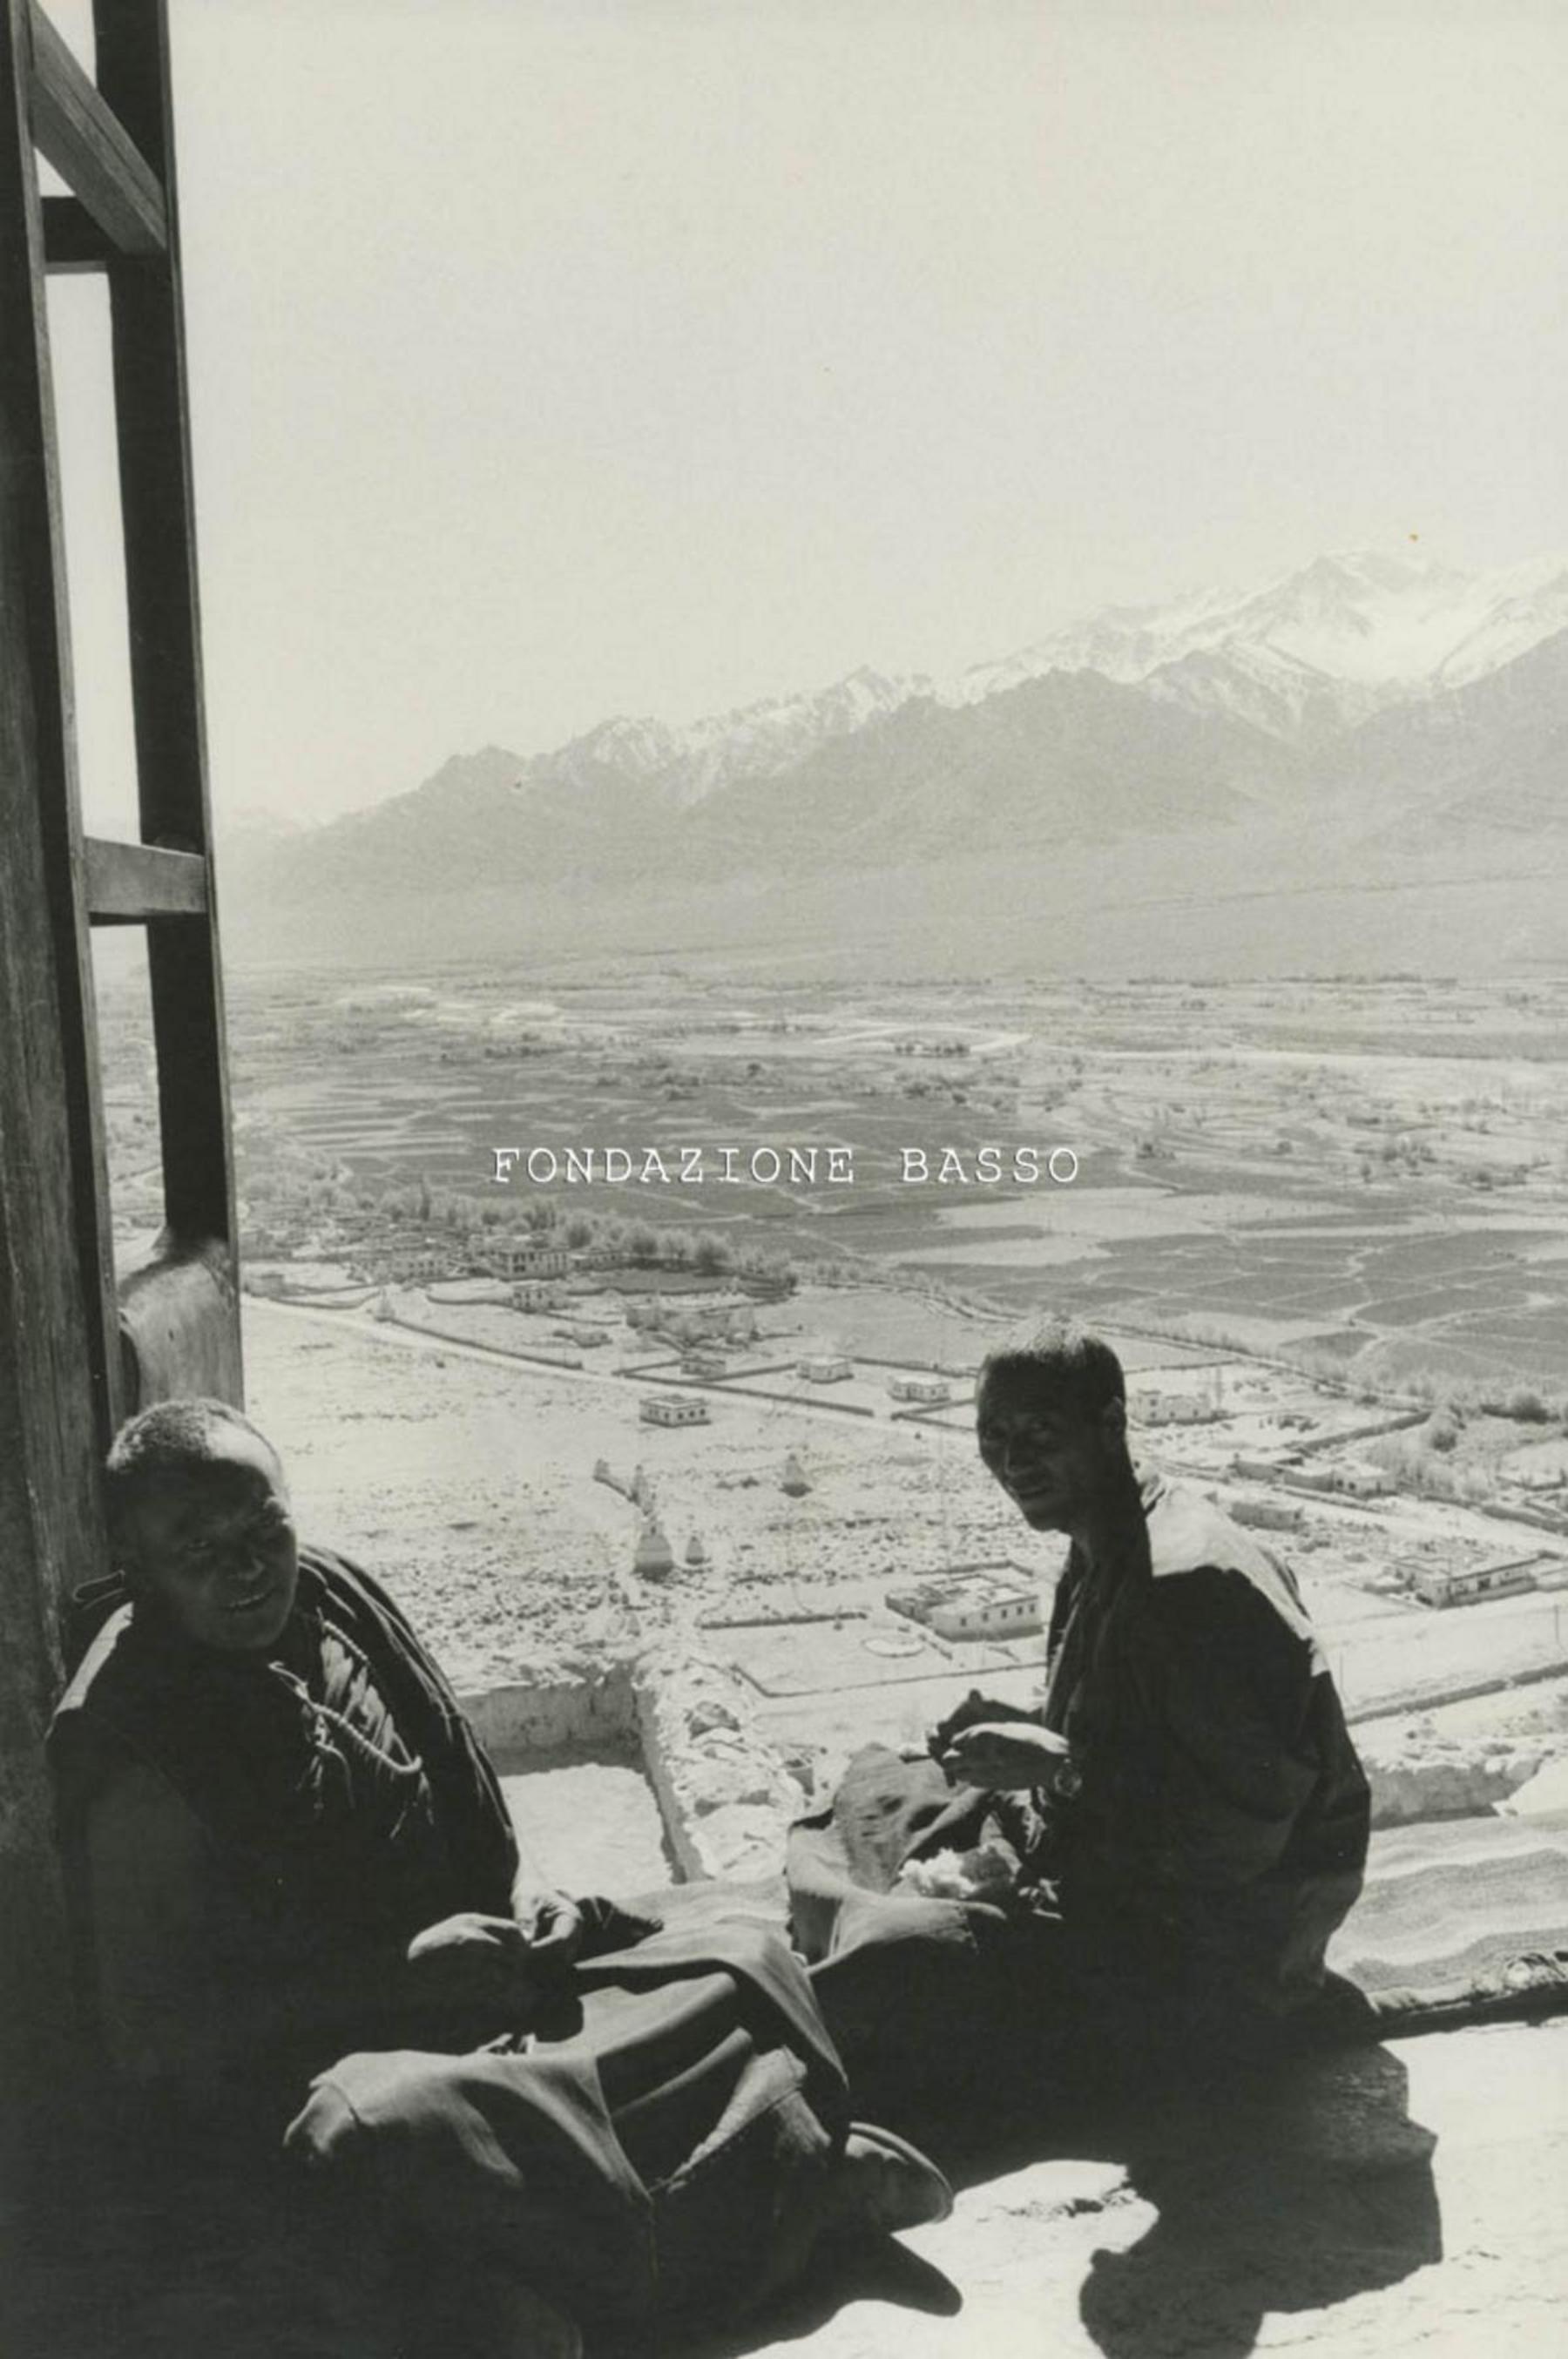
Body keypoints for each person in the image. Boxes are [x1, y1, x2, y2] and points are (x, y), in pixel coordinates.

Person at [50, 1398, 951, 2359]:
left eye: (265, 1528)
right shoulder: (134, 1740)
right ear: (138, 1569)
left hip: (469, 1993)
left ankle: (667, 2225)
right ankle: (781, 2185)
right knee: (374, 2131)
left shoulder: (334, 1599)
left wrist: (535, 1915)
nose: (247, 1566)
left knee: (735, 1951)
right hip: (319, 2067)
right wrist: (392, 1979)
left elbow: (467, 1847)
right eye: (198, 1546)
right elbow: (152, 2045)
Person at [791, 1317, 1371, 2124]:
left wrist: (1060, 1767)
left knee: (895, 1961)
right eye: (994, 1435)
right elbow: (1143, 1717)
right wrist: (1030, 1723)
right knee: (882, 1788)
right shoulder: (1108, 1532)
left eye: (1039, 1431)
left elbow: (1240, 1838)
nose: (1013, 1460)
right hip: (1118, 1863)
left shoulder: (1191, 1581)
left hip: (1218, 1951)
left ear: (1111, 1424)